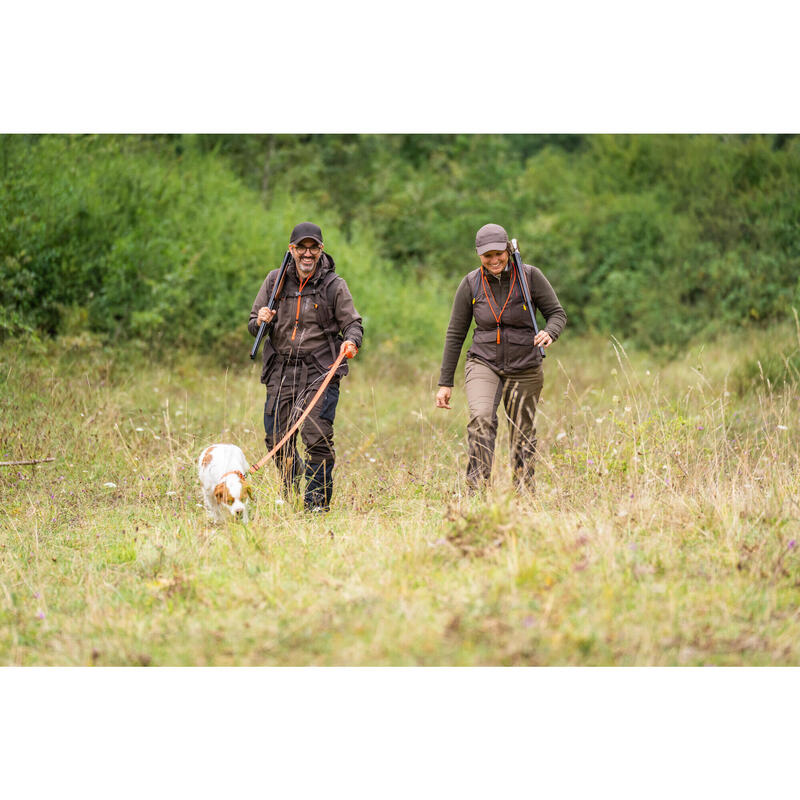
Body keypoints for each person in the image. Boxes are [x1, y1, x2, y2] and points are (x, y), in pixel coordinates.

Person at [435, 223, 566, 491]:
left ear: (508, 249)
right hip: (483, 361)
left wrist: (549, 332)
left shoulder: (530, 276)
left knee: (522, 431)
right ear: (478, 255)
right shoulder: (471, 283)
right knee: (482, 418)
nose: (494, 260)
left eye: (499, 253)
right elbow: (455, 333)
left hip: (525, 365)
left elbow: (558, 314)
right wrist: (445, 382)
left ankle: (523, 493)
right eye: (487, 255)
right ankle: (477, 490)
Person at [248, 222, 363, 512]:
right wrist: (261, 319)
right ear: (292, 250)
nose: (307, 253)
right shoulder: (274, 281)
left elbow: (353, 323)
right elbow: (253, 325)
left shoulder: (334, 285)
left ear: (321, 250)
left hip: (320, 370)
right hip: (281, 370)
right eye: (302, 247)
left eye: (313, 247)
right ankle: (294, 479)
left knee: (317, 436)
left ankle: (316, 505)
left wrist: (351, 341)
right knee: (276, 440)